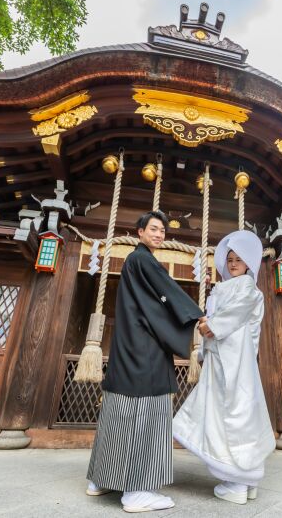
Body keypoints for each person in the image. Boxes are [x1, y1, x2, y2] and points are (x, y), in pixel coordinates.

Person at [86, 210, 204, 513]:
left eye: (163, 230)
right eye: (153, 228)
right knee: (145, 415)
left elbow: (157, 299)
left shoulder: (134, 262)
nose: (159, 234)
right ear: (139, 232)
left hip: (128, 348)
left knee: (116, 412)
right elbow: (167, 291)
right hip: (145, 353)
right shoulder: (143, 260)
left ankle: (102, 478)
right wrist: (196, 314)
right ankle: (137, 490)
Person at [172, 230, 275, 505]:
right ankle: (247, 480)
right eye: (229, 258)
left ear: (249, 263)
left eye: (239, 259)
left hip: (236, 362)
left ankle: (237, 481)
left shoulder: (248, 289)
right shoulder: (224, 287)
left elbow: (233, 314)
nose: (232, 263)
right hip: (221, 359)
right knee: (230, 411)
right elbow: (218, 314)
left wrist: (211, 326)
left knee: (234, 413)